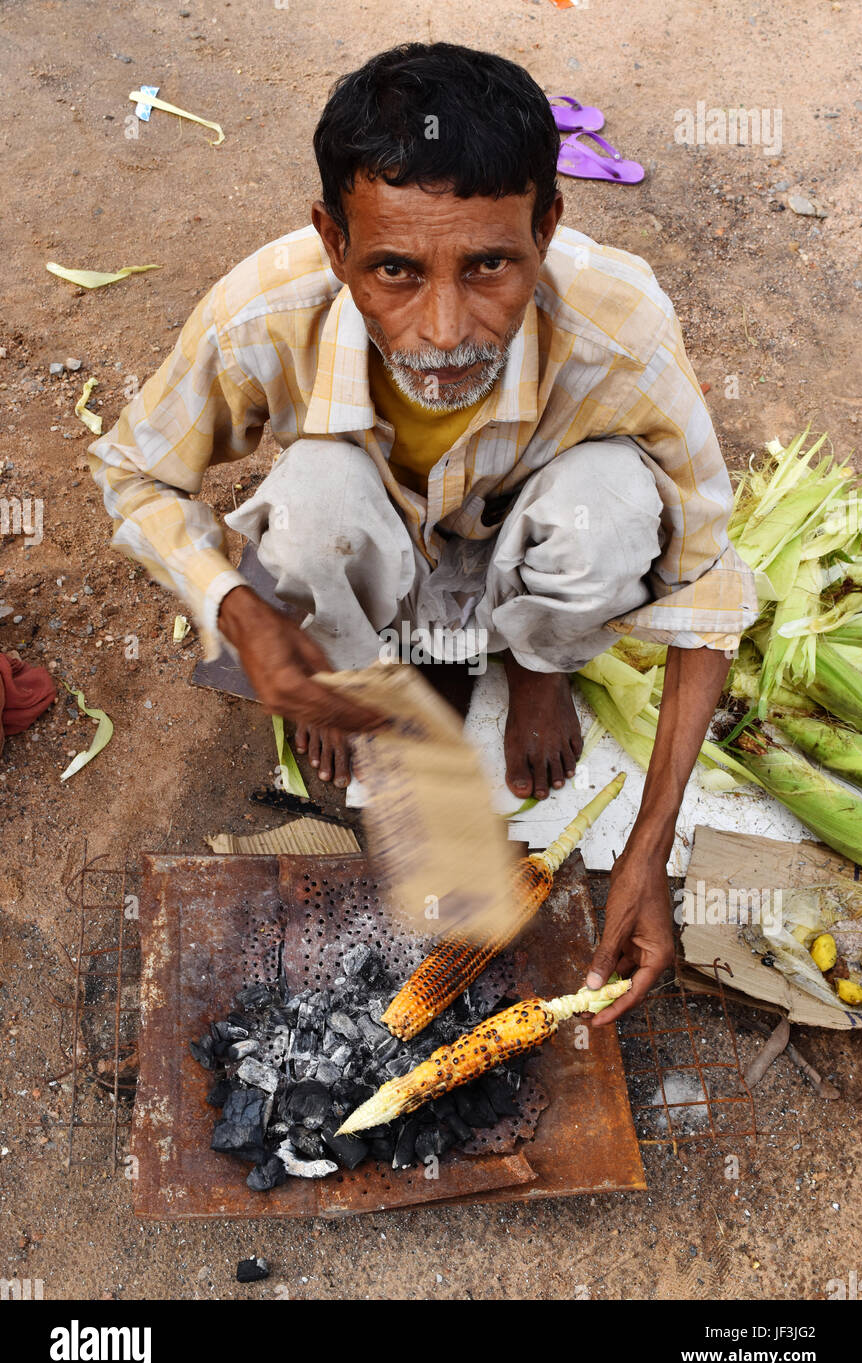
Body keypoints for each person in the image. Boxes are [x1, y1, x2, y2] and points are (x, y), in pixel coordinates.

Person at [88, 43, 757, 1024]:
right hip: (366, 533)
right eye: (394, 270)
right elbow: (135, 473)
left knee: (611, 508)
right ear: (332, 240)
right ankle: (353, 670)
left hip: (524, 532)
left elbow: (704, 593)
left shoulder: (622, 329)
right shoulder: (265, 311)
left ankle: (536, 668)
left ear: (546, 226)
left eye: (488, 265)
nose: (443, 331)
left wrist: (648, 850)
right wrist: (238, 611)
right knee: (312, 500)